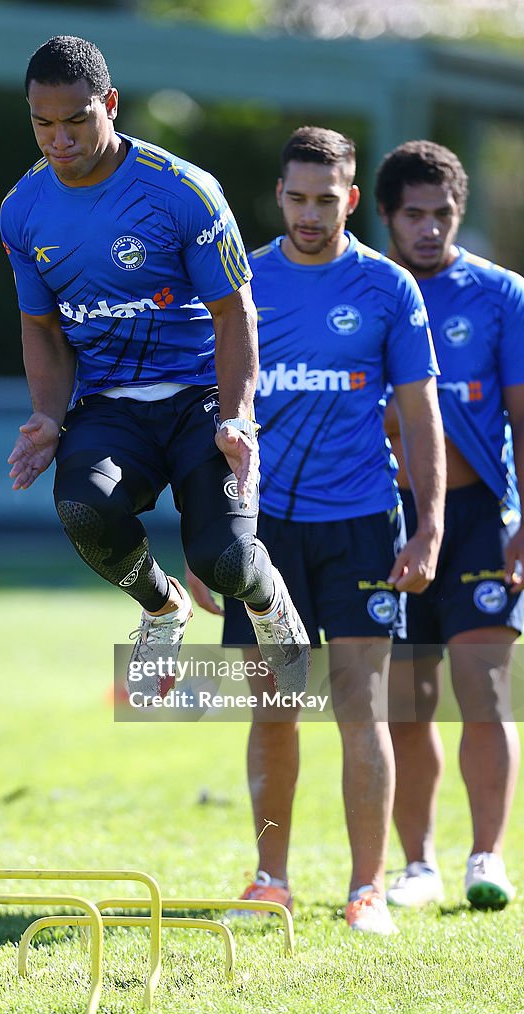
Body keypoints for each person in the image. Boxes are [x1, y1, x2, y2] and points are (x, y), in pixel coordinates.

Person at [187, 126, 446, 934]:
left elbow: (418, 410)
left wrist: (429, 522)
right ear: (278, 195)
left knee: (360, 708)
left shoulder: (388, 288)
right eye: (296, 198)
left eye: (324, 200)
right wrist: (202, 534)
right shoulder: (241, 285)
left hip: (363, 523)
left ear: (351, 199)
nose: (309, 213)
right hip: (260, 532)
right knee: (274, 709)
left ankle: (365, 889)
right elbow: (207, 415)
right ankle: (270, 878)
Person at [0, 35, 309, 696]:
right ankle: (162, 607)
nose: (59, 139)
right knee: (84, 510)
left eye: (76, 119)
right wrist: (47, 417)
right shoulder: (22, 210)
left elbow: (235, 313)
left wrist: (236, 416)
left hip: (200, 397)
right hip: (111, 406)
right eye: (43, 122)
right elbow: (40, 325)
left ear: (108, 104)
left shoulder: (182, 192)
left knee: (223, 560)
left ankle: (268, 604)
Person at [375, 141, 524, 911]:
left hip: (476, 521)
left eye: (442, 215)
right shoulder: (367, 290)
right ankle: (417, 865)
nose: (428, 229)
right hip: (383, 519)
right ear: (386, 218)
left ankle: (485, 858)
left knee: (485, 691)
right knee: (406, 699)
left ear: (458, 214)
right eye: (413, 215)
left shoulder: (502, 296)